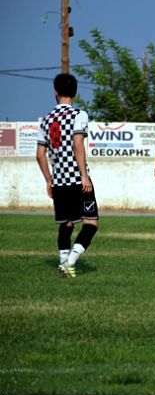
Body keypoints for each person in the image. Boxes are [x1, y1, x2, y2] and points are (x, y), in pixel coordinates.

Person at [36, 73, 99, 278]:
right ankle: (70, 263)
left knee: (67, 224)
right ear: (75, 92)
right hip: (77, 180)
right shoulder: (78, 114)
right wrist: (84, 176)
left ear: (55, 91)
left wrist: (49, 180)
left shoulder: (45, 120)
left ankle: (63, 263)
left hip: (59, 181)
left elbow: (40, 154)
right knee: (91, 223)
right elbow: (77, 143)